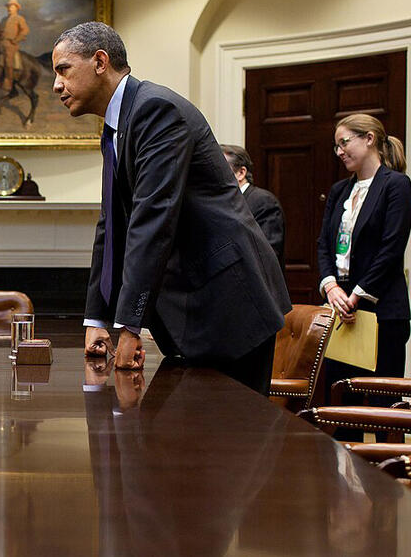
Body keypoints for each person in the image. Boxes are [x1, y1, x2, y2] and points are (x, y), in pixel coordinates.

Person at [51, 22, 290, 395]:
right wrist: (96, 318)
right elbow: (111, 226)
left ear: (100, 62)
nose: (56, 85)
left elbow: (153, 220)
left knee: (236, 445)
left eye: (63, 70)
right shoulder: (116, 127)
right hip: (196, 306)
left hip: (227, 303)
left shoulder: (154, 110)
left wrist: (129, 326)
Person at [317, 113, 411, 437]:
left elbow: (391, 248)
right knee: (343, 402)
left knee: (383, 404)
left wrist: (357, 294)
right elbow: (324, 245)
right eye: (336, 147)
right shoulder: (340, 190)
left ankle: (386, 480)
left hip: (381, 309)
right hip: (342, 309)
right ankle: (344, 481)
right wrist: (331, 287)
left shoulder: (396, 185)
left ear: (369, 138)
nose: (340, 151)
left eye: (345, 142)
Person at [221, 144, 286, 267]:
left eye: (221, 169)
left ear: (241, 173)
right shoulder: (223, 203)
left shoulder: (264, 202)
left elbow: (266, 254)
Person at [0, 0, 29, 92]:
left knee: (8, 61)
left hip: (11, 44)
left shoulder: (19, 18)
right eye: (8, 7)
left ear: (16, 8)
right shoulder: (4, 19)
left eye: (11, 7)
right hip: (1, 42)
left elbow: (25, 30)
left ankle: (8, 82)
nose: (9, 9)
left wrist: (16, 40)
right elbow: (0, 31)